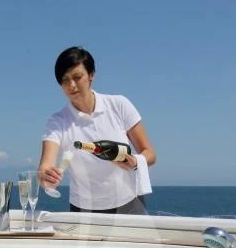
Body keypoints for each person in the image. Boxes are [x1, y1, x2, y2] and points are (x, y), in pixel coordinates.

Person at [38, 46, 156, 214]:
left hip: (129, 203)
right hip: (85, 211)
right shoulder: (58, 121)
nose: (71, 85)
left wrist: (135, 161)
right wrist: (45, 177)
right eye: (65, 80)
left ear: (91, 75)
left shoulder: (119, 105)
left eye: (77, 77)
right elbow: (44, 167)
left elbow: (150, 153)